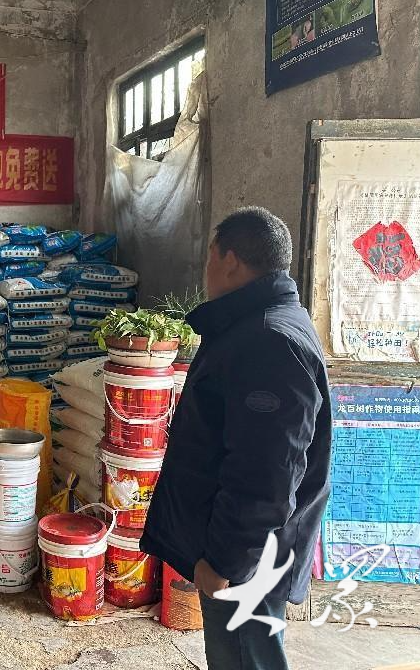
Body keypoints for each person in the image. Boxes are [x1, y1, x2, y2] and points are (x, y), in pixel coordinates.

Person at [141, 207, 332, 670]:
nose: (206, 269)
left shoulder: (268, 341)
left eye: (210, 256)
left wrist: (225, 562)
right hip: (246, 551)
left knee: (245, 658)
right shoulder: (261, 323)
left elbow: (266, 473)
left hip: (248, 560)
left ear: (230, 261)